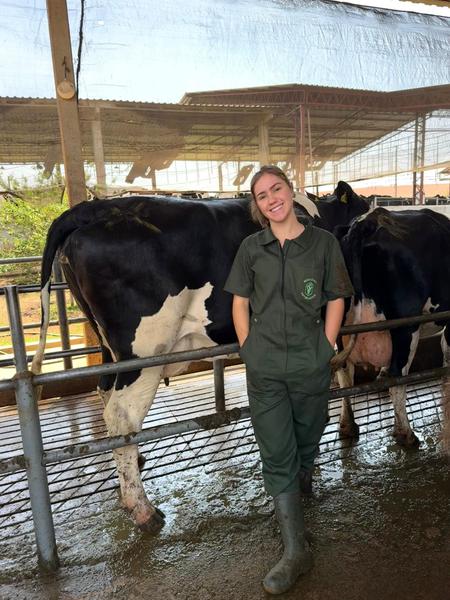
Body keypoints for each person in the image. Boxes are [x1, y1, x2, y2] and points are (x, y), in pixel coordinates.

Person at [224, 165, 354, 595]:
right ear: (257, 207)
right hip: (265, 370)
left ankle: (295, 498)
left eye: (275, 189)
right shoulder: (251, 248)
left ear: (290, 190)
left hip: (309, 363)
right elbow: (239, 303)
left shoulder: (323, 244)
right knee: (277, 450)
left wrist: (327, 345)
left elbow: (336, 297)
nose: (271, 199)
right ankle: (296, 550)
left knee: (306, 438)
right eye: (261, 195)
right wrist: (249, 349)